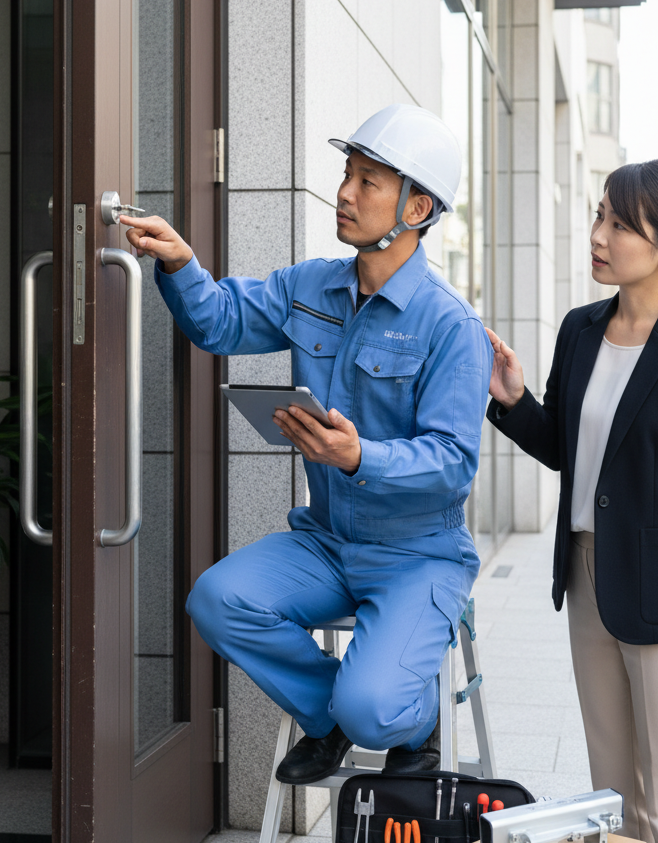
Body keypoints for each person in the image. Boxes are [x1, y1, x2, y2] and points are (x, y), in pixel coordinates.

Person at [121, 104, 492, 784]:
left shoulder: (451, 327)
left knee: (380, 709)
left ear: (416, 209)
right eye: (347, 175)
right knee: (217, 599)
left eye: (368, 182)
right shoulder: (310, 285)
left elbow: (452, 466)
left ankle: (401, 716)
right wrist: (179, 264)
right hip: (325, 540)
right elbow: (221, 324)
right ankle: (335, 716)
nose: (345, 193)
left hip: (418, 556)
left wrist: (359, 457)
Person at [485, 160, 658, 843]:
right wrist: (513, 402)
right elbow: (573, 454)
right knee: (615, 786)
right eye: (599, 217)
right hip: (589, 580)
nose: (599, 237)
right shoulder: (580, 330)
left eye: (620, 226)